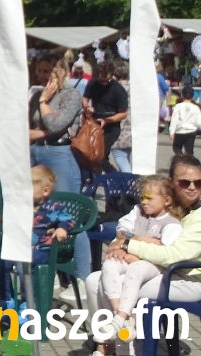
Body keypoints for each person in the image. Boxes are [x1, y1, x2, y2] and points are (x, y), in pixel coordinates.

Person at [85, 175, 182, 352]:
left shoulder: (171, 224)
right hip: (130, 260)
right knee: (100, 273)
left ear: (167, 200)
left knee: (133, 272)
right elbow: (122, 231)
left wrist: (132, 242)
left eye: (149, 198)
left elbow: (164, 250)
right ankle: (119, 321)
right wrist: (125, 242)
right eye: (142, 197)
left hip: (151, 267)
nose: (144, 201)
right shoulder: (138, 212)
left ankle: (118, 341)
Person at [29, 55, 89, 291]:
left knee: (70, 211)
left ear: (60, 73)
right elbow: (33, 124)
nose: (43, 76)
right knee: (42, 211)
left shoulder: (70, 95)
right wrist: (38, 133)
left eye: (48, 71)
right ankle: (49, 268)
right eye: (40, 71)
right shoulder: (36, 93)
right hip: (38, 152)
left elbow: (56, 125)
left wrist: (44, 101)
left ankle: (83, 277)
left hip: (60, 153)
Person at [122, 156, 201, 322]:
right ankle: (110, 335)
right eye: (185, 182)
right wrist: (121, 239)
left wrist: (129, 244)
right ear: (171, 182)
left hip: (190, 279)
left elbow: (173, 255)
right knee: (95, 280)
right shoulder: (166, 207)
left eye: (198, 183)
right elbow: (127, 224)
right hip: (165, 270)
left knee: (122, 286)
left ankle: (124, 333)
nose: (192, 187)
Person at [0, 165, 77, 305]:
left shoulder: (53, 207)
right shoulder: (22, 205)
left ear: (45, 191)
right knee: (1, 263)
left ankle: (28, 301)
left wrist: (62, 229)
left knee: (23, 266)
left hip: (41, 249)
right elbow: (13, 217)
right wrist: (2, 218)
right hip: (20, 246)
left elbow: (69, 220)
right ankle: (7, 298)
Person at [84, 60, 129, 171]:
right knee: (91, 154)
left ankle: (115, 177)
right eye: (101, 80)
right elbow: (85, 98)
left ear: (112, 74)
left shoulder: (118, 90)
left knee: (101, 155)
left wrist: (107, 120)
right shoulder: (93, 84)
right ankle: (100, 175)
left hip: (111, 126)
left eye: (107, 80)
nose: (104, 83)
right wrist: (87, 107)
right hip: (94, 123)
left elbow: (123, 114)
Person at [169, 85, 201, 158]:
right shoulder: (196, 108)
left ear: (182, 95)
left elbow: (174, 120)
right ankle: (188, 161)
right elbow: (199, 122)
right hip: (191, 132)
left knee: (176, 148)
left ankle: (179, 157)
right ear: (192, 96)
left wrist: (172, 131)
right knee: (189, 151)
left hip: (179, 132)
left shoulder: (178, 106)